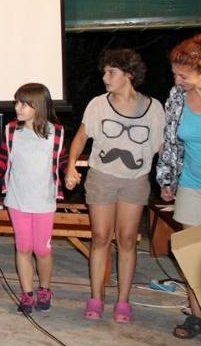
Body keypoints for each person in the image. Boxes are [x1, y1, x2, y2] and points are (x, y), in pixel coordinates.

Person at [65, 49, 164, 323]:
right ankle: (96, 298)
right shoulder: (98, 104)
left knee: (127, 239)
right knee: (100, 237)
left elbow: (160, 147)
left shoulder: (154, 107)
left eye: (112, 72)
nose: (105, 77)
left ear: (129, 75)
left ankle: (123, 301)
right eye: (105, 72)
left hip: (136, 180)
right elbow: (81, 137)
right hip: (102, 177)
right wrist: (71, 165)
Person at [155, 33, 201, 346]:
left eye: (184, 76)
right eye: (175, 74)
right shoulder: (178, 96)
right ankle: (198, 316)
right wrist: (167, 180)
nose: (177, 81)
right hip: (192, 184)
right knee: (194, 256)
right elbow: (170, 141)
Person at [0, 84, 67, 313]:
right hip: (17, 199)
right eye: (17, 102)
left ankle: (44, 289)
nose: (17, 107)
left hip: (44, 201)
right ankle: (27, 294)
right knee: (23, 247)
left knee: (41, 250)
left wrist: (70, 172)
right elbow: (3, 159)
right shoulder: (12, 130)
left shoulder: (56, 132)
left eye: (23, 104)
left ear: (38, 106)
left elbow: (61, 160)